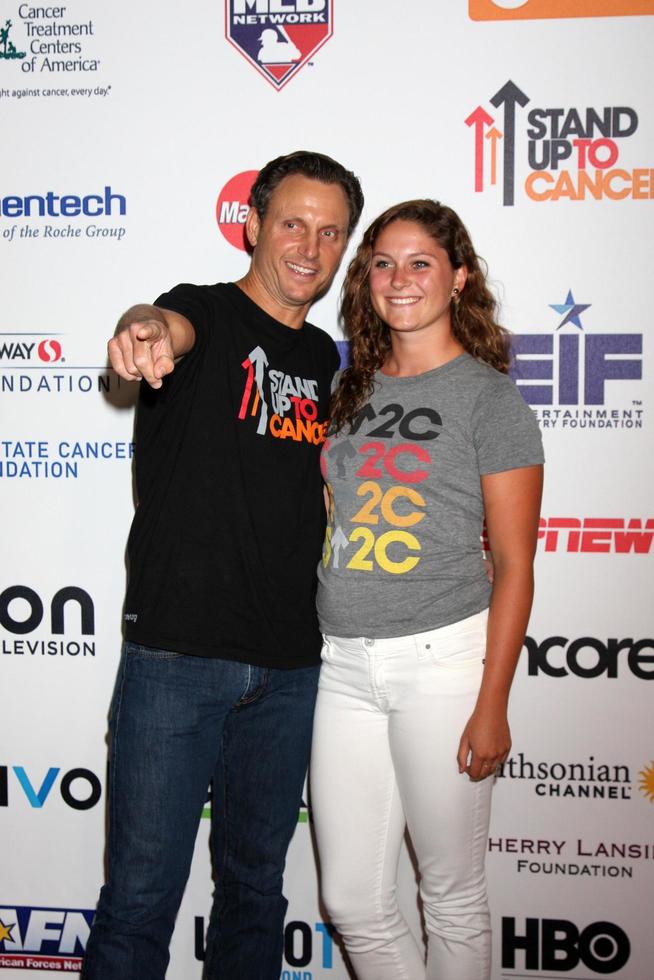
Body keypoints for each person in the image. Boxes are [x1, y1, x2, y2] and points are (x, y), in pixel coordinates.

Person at [81, 150, 364, 980]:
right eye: (292, 224)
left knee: (256, 895)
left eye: (330, 232)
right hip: (179, 658)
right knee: (138, 903)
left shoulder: (325, 361)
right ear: (253, 226)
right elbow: (160, 323)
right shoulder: (197, 312)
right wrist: (144, 333)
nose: (309, 247)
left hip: (289, 668)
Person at [311, 199, 544, 980]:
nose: (399, 278)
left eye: (421, 263)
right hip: (342, 666)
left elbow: (514, 564)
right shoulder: (347, 390)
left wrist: (493, 703)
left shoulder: (490, 399)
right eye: (383, 262)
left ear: (458, 279)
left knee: (449, 896)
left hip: (445, 664)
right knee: (352, 900)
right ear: (365, 279)